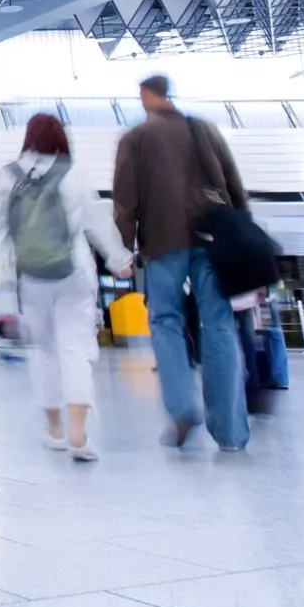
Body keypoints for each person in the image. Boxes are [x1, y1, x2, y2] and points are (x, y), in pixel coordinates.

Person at [113, 76, 250, 450]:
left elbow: (125, 199)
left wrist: (122, 249)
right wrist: (243, 232)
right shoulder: (202, 129)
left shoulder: (136, 138)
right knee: (219, 324)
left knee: (165, 320)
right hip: (213, 239)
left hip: (162, 242)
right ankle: (231, 433)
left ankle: (181, 406)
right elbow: (234, 184)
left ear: (145, 96)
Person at [0, 113, 131, 460]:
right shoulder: (73, 172)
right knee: (76, 349)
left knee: (44, 353)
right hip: (74, 272)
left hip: (30, 277)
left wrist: (7, 275)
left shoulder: (8, 176)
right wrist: (118, 259)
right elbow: (98, 222)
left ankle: (54, 431)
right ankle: (79, 435)